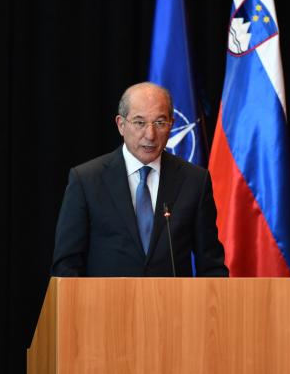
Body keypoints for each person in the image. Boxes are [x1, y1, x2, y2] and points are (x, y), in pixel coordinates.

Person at [51, 82, 229, 277]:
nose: (150, 135)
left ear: (171, 124)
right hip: (106, 305)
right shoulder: (86, 180)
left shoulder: (194, 181)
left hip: (174, 305)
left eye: (160, 123)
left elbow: (211, 266)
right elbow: (66, 266)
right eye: (139, 122)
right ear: (121, 125)